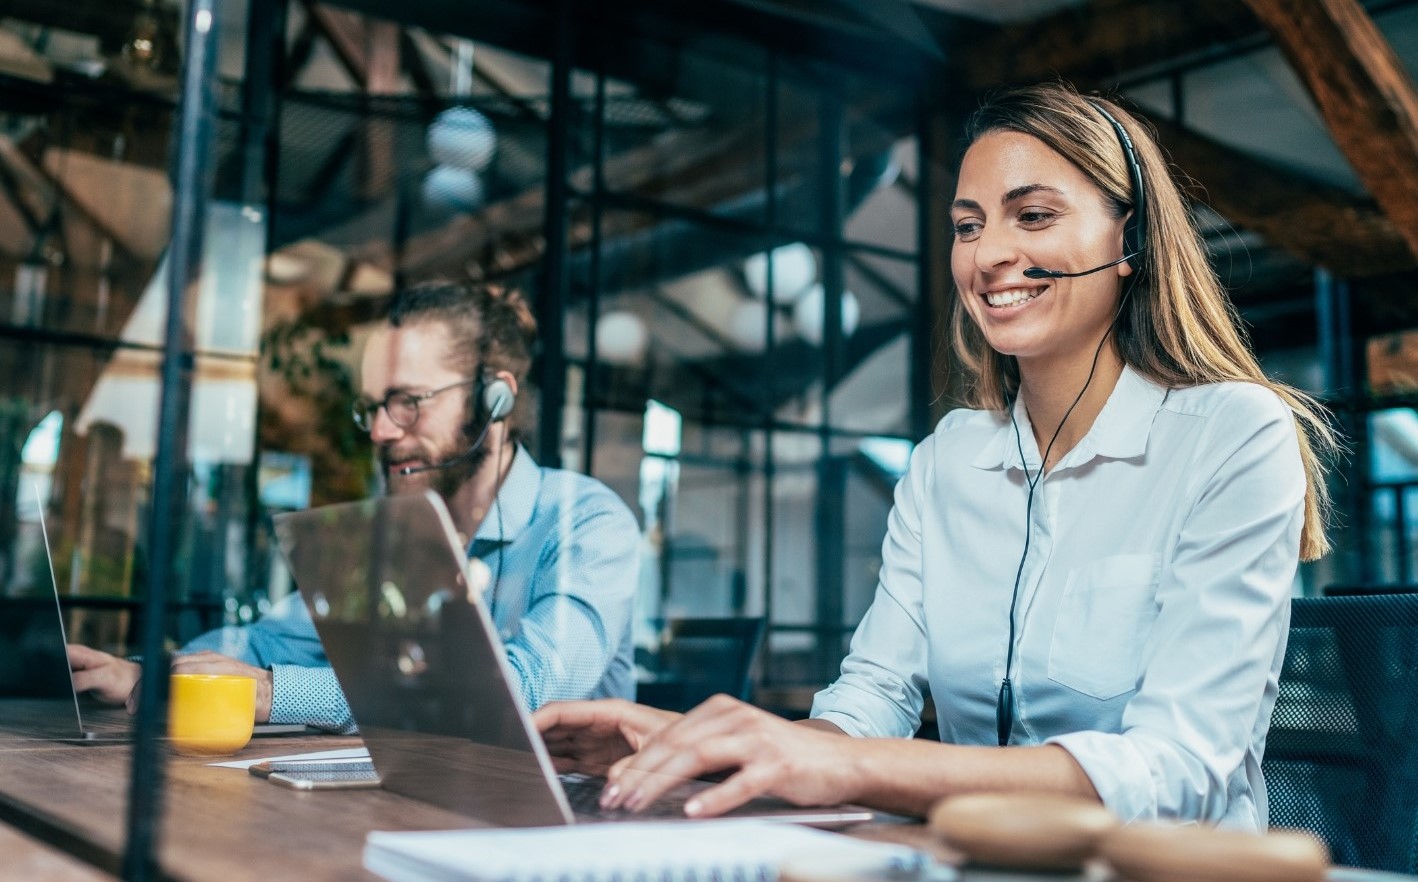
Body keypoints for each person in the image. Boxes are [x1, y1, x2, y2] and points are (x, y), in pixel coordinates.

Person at [533, 82, 1334, 830]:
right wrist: (704, 748)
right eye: (967, 224)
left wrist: (844, 764)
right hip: (965, 860)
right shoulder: (950, 458)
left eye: (1033, 215)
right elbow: (870, 701)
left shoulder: (1233, 434)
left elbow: (1179, 767)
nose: (986, 256)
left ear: (1127, 241)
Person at [68, 281, 640, 733]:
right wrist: (156, 675)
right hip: (415, 807)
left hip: (559, 832)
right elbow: (268, 642)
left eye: (407, 403)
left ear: (496, 400)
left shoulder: (587, 524)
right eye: (373, 408)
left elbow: (522, 690)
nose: (382, 431)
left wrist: (271, 692)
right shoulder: (395, 535)